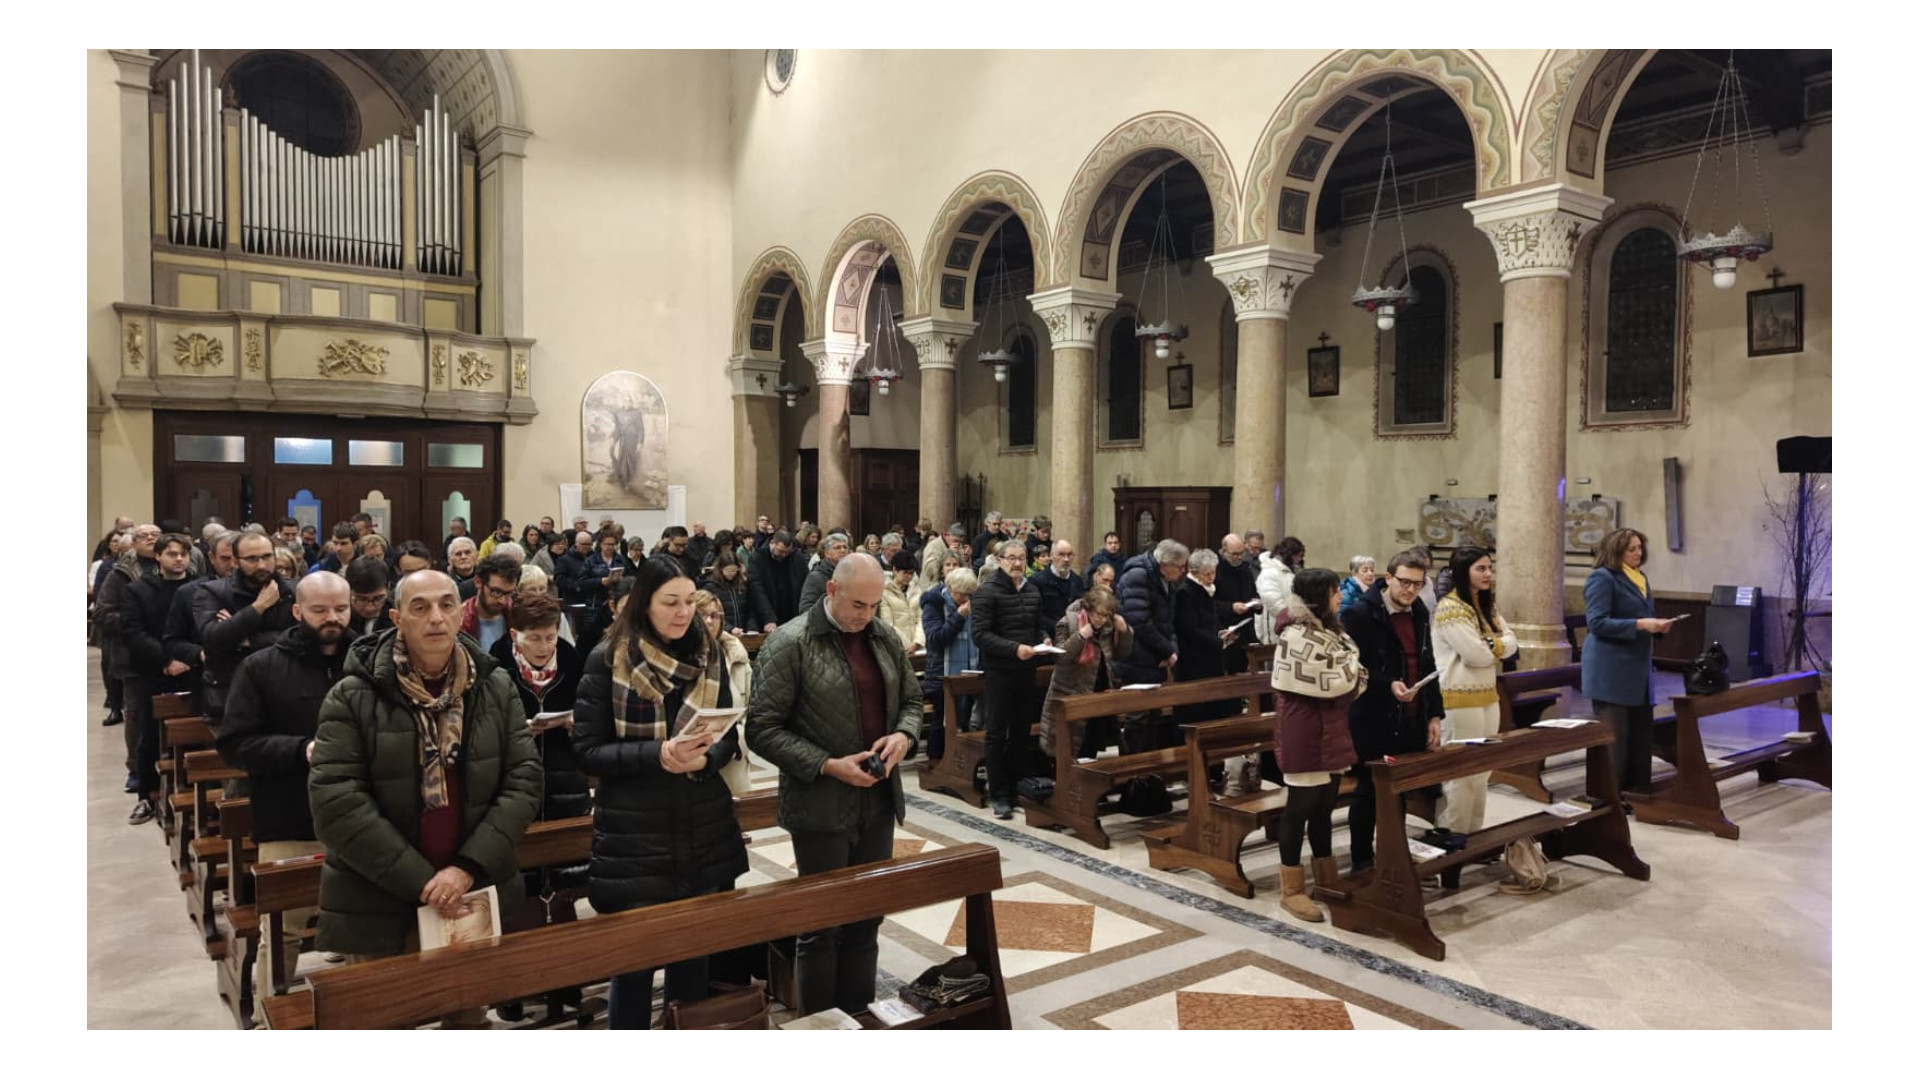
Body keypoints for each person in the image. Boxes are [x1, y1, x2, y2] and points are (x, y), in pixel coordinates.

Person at [307, 569, 542, 1025]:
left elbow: (524, 779)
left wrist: (465, 869)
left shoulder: (493, 686)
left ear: (460, 614)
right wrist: (425, 882)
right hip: (377, 900)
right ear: (397, 618)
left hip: (470, 889)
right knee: (382, 1029)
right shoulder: (352, 695)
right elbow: (336, 803)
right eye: (420, 607)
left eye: (446, 605)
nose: (436, 617)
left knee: (467, 1024)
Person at [745, 554, 923, 1017]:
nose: (866, 615)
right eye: (858, 605)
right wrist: (827, 765)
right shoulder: (790, 642)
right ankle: (820, 1028)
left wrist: (904, 735)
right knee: (820, 926)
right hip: (819, 806)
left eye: (874, 605)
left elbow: (911, 700)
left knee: (866, 921)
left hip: (877, 800)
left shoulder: (882, 636)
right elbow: (761, 729)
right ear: (831, 592)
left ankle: (858, 1018)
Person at [573, 556, 747, 1030]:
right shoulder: (608, 659)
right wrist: (658, 754)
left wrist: (706, 759)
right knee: (633, 969)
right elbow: (587, 750)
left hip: (702, 829)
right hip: (634, 838)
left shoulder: (709, 655)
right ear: (644, 604)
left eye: (690, 601)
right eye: (671, 602)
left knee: (692, 966)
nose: (684, 612)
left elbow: (729, 733)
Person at [217, 571, 356, 1016]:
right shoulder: (261, 667)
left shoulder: (368, 660)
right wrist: (301, 750)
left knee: (362, 924)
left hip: (360, 818)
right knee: (282, 929)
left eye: (341, 609)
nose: (333, 618)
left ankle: (366, 1014)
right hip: (289, 816)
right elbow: (235, 744)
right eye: (320, 610)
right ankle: (268, 1019)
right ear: (297, 611)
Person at [489, 593, 590, 936]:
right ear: (514, 635)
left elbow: (589, 714)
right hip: (515, 780)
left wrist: (578, 725)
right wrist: (516, 733)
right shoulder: (496, 665)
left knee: (569, 870)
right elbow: (484, 732)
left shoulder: (572, 658)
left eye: (549, 636)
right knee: (522, 876)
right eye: (534, 638)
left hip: (566, 775)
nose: (544, 646)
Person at [1270, 568, 1366, 923]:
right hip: (1304, 729)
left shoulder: (1330, 631)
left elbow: (1353, 670)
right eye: (1334, 591)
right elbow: (1334, 681)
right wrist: (1350, 672)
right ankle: (1291, 889)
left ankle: (1326, 878)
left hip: (1332, 726)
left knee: (1325, 805)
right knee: (1299, 808)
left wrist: (1350, 672)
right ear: (1317, 597)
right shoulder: (1294, 635)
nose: (1340, 596)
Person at [1341, 549, 1445, 872]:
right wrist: (1388, 685)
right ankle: (1361, 860)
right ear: (1388, 578)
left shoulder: (1419, 611)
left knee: (1399, 788)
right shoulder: (1360, 614)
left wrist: (1434, 714)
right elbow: (1352, 668)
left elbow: (1427, 664)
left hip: (1411, 714)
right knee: (1368, 790)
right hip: (1372, 716)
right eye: (1405, 582)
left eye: (1418, 583)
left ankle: (1391, 855)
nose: (1411, 590)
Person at [1432, 546, 1518, 836]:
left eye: (1489, 568)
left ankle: (1474, 834)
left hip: (1487, 695)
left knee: (1483, 769)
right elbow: (1475, 655)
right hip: (1459, 697)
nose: (1488, 574)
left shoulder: (1486, 605)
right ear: (1462, 571)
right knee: (1460, 772)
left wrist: (1492, 644)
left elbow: (1513, 642)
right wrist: (1496, 646)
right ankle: (1452, 835)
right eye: (1480, 568)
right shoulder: (1450, 607)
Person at [1583, 528, 1674, 796]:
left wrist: (1657, 627)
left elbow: (1643, 617)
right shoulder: (1603, 578)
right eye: (1631, 549)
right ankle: (1611, 797)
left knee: (1640, 737)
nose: (1638, 553)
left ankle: (1637, 792)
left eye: (1639, 548)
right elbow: (1597, 623)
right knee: (1616, 740)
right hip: (1611, 669)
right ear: (1616, 551)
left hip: (1637, 669)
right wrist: (1641, 624)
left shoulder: (1639, 577)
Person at [971, 539, 1054, 819]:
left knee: (1020, 731)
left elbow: (1037, 624)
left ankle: (1016, 787)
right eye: (1012, 558)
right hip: (999, 671)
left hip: (1026, 669)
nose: (1017, 563)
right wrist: (1014, 649)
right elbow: (980, 635)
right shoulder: (986, 592)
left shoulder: (1032, 590)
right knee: (996, 732)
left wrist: (1044, 637)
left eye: (1021, 558)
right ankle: (998, 793)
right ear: (1000, 560)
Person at [122, 532, 200, 823]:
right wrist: (166, 660)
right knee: (151, 735)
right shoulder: (138, 590)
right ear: (158, 557)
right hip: (154, 671)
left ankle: (193, 793)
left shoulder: (201, 586)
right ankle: (147, 796)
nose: (179, 559)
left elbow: (203, 627)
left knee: (194, 732)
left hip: (193, 669)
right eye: (172, 554)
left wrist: (188, 658)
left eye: (183, 554)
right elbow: (134, 632)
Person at [195, 531, 297, 728]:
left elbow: (302, 638)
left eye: (267, 557)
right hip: (230, 695)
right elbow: (214, 640)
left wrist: (247, 639)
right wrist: (258, 607)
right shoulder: (212, 591)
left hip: (284, 691)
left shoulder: (293, 591)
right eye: (252, 559)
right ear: (235, 561)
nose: (261, 565)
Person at [1040, 585, 1132, 763]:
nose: (1102, 619)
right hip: (1072, 691)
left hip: (1100, 690)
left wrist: (1125, 632)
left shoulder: (1107, 626)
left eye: (1106, 615)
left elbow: (1122, 654)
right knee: (1071, 748)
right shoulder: (1068, 622)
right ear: (1088, 609)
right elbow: (1060, 657)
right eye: (1098, 614)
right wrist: (1080, 636)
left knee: (1099, 746)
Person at [1114, 539, 1188, 753]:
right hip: (1136, 658)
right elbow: (1139, 621)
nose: (1183, 571)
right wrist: (1167, 650)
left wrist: (1171, 650)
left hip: (1155, 657)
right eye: (1180, 566)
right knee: (1138, 717)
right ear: (1164, 564)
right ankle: (1132, 769)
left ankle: (1151, 768)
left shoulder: (1165, 579)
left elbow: (1168, 621)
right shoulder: (1138, 575)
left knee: (1154, 716)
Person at [691, 589, 758, 793]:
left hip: (732, 759)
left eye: (715, 616)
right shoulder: (682, 658)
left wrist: (738, 740)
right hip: (691, 759)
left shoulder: (738, 659)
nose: (709, 621)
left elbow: (754, 712)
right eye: (702, 614)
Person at [1173, 549, 1241, 732]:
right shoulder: (1185, 592)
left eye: (1213, 573)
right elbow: (1190, 629)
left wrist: (1222, 632)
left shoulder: (1207, 590)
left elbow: (1211, 620)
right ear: (1194, 572)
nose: (1212, 578)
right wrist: (1218, 641)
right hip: (1194, 661)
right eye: (1207, 574)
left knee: (1214, 708)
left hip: (1210, 657)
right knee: (1197, 710)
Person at [920, 566, 980, 759]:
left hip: (969, 671)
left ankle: (960, 761)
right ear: (950, 588)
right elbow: (935, 640)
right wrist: (958, 617)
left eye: (970, 594)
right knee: (941, 720)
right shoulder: (933, 604)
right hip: (941, 673)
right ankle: (936, 761)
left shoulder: (972, 602)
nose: (965, 599)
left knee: (964, 721)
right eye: (961, 594)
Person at [747, 529, 809, 632]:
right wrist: (769, 617)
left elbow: (805, 582)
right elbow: (756, 588)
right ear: (772, 543)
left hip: (791, 610)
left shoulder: (796, 556)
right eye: (780, 551)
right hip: (769, 610)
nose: (783, 555)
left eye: (787, 552)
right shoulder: (758, 557)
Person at [460, 553, 521, 653]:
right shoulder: (459, 621)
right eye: (496, 592)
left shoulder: (517, 617)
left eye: (509, 593)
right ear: (478, 582)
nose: (502, 601)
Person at [1255, 536, 1306, 645]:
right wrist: (1291, 618)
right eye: (1298, 556)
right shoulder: (1269, 573)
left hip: (1289, 623)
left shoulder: (1287, 572)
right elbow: (1273, 602)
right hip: (1276, 625)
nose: (1299, 559)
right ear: (1291, 555)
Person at [1031, 538, 1087, 627]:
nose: (1066, 559)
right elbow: (1036, 614)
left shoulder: (1078, 582)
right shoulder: (1037, 581)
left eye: (1069, 555)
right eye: (1061, 555)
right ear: (1051, 556)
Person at [879, 550, 925, 649]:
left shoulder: (917, 591)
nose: (909, 576)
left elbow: (921, 619)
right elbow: (888, 624)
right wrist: (906, 645)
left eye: (911, 573)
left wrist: (917, 642)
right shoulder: (884, 593)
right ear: (895, 570)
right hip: (895, 647)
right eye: (905, 572)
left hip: (918, 647)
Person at [797, 532, 851, 615]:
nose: (843, 550)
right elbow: (806, 608)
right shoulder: (815, 577)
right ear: (827, 553)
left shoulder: (852, 573)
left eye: (845, 547)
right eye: (837, 548)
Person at [344, 556, 392, 635]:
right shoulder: (337, 620)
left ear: (388, 587)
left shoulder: (400, 617)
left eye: (378, 598)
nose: (370, 608)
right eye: (362, 599)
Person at [705, 551, 752, 633]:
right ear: (721, 569)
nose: (732, 573)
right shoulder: (711, 587)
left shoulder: (742, 585)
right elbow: (711, 614)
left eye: (734, 570)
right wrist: (729, 628)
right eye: (728, 570)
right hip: (722, 632)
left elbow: (750, 610)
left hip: (742, 631)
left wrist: (751, 627)